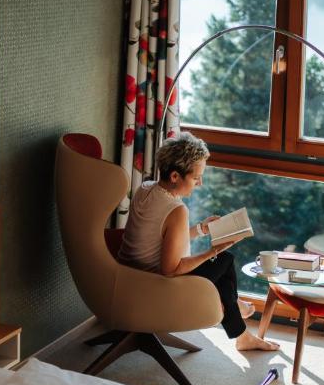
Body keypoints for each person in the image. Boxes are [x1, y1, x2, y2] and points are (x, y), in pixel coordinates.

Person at [118, 132, 279, 352]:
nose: (200, 183)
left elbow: (161, 236)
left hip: (129, 277)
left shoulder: (145, 188)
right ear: (175, 176)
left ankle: (239, 325)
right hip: (156, 285)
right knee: (224, 260)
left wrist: (202, 229)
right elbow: (170, 270)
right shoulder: (176, 210)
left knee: (222, 265)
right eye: (196, 178)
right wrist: (212, 251)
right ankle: (236, 311)